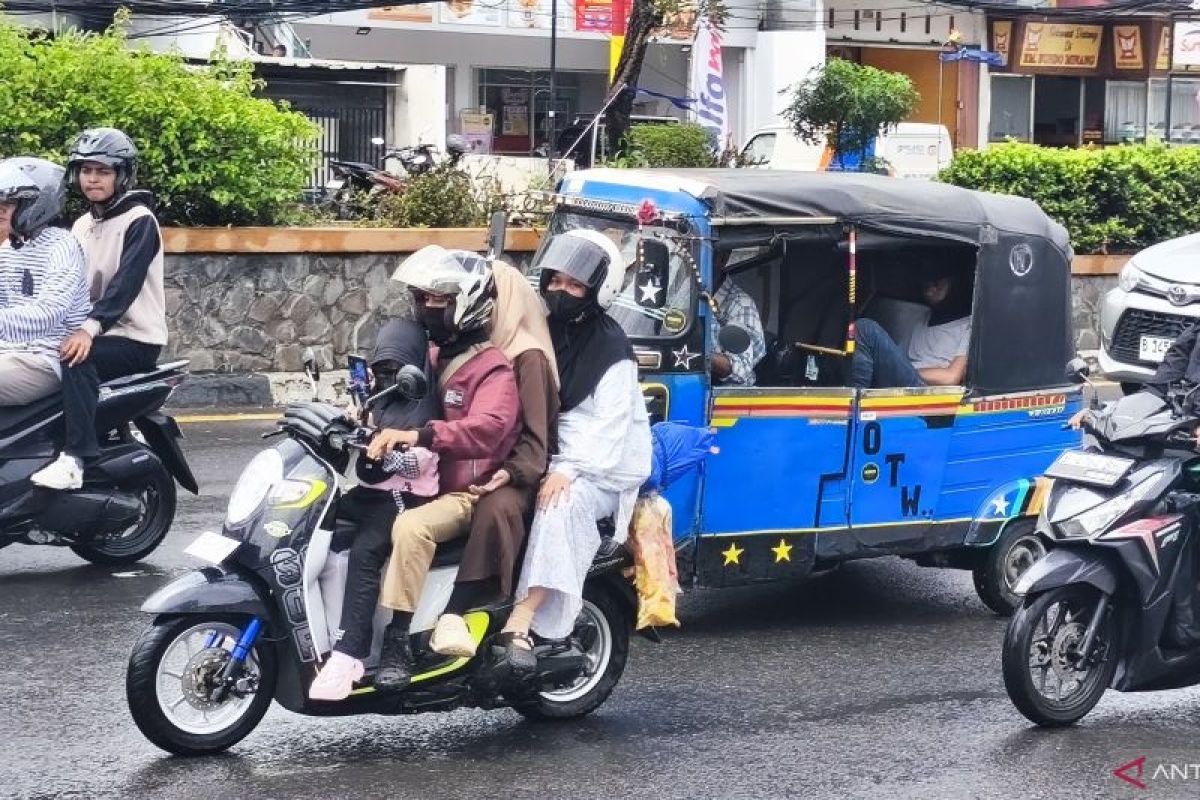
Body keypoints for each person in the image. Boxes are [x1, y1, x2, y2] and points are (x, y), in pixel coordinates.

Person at [369, 246, 522, 690]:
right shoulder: (430, 355)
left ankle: (397, 639)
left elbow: (488, 428)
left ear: (468, 303)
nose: (427, 307)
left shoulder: (492, 369)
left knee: (411, 528)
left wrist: (422, 435)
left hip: (464, 493)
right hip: (418, 479)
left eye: (439, 299)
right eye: (421, 298)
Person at [499, 229, 652, 671]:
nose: (561, 291)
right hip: (551, 450)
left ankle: (523, 618)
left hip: (601, 467)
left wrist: (568, 469)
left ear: (599, 290)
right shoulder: (545, 331)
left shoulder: (613, 350)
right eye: (556, 280)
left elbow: (610, 428)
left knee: (558, 505)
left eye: (574, 285)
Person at [426, 261, 560, 657]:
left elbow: (537, 437)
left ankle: (458, 609)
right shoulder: (464, 349)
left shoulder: (527, 357)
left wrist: (510, 473)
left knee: (496, 509)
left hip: (517, 471)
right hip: (469, 461)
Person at [309, 319, 442, 701]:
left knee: (366, 552)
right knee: (310, 518)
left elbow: (419, 464)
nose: (386, 377)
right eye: (380, 367)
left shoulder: (426, 407)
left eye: (394, 369)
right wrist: (348, 420)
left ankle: (350, 652)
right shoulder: (377, 396)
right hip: (370, 492)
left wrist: (386, 449)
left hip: (404, 498)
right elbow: (358, 428)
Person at [32, 129, 167, 491]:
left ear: (122, 176)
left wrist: (88, 329)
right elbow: (64, 279)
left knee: (76, 358)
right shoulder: (82, 224)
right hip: (90, 331)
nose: (92, 178)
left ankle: (75, 458)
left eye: (103, 171)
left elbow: (126, 284)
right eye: (86, 170)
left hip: (134, 339)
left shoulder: (140, 220)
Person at [0, 157, 91, 409]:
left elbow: (49, 313)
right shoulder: (9, 248)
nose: (1, 209)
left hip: (46, 356)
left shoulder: (61, 246)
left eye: (11, 203)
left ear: (37, 205)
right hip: (10, 353)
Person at [850, 270, 971, 390]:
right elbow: (899, 357)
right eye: (928, 285)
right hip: (905, 380)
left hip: (927, 388)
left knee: (865, 328)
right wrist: (896, 369)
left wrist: (904, 371)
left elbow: (951, 377)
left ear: (954, 283)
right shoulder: (923, 319)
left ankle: (857, 395)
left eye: (937, 283)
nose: (931, 289)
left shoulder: (969, 325)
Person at [709, 255, 766, 386]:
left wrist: (698, 355)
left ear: (722, 259)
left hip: (724, 393)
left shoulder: (741, 304)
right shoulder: (685, 294)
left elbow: (740, 368)